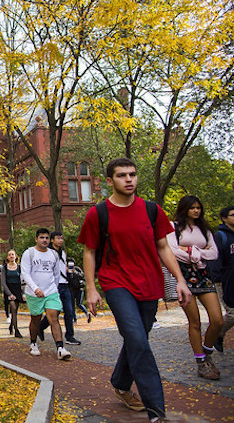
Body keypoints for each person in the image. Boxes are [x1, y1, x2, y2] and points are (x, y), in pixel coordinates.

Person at [78, 157, 191, 423]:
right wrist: (91, 288)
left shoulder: (152, 210)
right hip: (116, 283)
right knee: (138, 341)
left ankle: (119, 380)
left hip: (149, 283)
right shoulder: (99, 213)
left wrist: (180, 280)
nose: (129, 179)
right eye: (121, 175)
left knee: (138, 338)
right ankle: (156, 412)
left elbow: (164, 247)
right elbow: (89, 251)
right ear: (110, 181)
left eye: (132, 174)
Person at [167, 195, 221, 379]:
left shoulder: (204, 229)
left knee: (217, 320)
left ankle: (207, 351)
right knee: (195, 321)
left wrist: (191, 251)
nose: (196, 211)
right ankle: (201, 362)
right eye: (192, 208)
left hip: (203, 277)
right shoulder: (173, 227)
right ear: (185, 209)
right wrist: (198, 254)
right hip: (183, 277)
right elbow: (172, 251)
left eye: (198, 207)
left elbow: (214, 253)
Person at [21, 228, 72, 361]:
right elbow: (25, 273)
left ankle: (60, 348)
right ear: (36, 239)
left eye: (46, 238)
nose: (44, 240)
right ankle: (33, 343)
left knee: (53, 318)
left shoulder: (53, 254)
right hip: (34, 293)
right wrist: (35, 288)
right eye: (41, 237)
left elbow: (55, 274)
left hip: (50, 292)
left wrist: (53, 288)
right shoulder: (29, 253)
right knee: (36, 319)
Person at [38, 231, 81, 345]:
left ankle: (70, 336)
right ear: (52, 240)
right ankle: (40, 327)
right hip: (54, 286)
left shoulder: (63, 253)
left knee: (69, 311)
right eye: (58, 238)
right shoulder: (48, 253)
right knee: (54, 312)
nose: (60, 240)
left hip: (65, 284)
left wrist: (67, 270)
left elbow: (61, 267)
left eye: (62, 238)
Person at [209, 205, 234, 353]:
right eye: (233, 215)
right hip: (225, 281)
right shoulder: (220, 236)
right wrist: (217, 279)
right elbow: (214, 259)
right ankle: (217, 333)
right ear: (224, 218)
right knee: (232, 314)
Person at [0, 249, 23, 338]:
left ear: (16, 256)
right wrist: (9, 294)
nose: (11, 256)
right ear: (7, 257)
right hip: (9, 290)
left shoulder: (19, 267)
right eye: (9, 255)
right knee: (13, 307)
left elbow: (23, 280)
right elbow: (3, 282)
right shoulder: (4, 268)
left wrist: (23, 292)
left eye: (13, 254)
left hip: (17, 290)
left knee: (15, 310)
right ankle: (16, 330)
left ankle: (11, 326)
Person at [66, 258, 91, 324]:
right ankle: (75, 319)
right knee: (73, 305)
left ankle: (86, 314)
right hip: (72, 289)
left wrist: (74, 272)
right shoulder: (66, 271)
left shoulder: (77, 269)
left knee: (78, 304)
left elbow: (82, 276)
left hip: (79, 289)